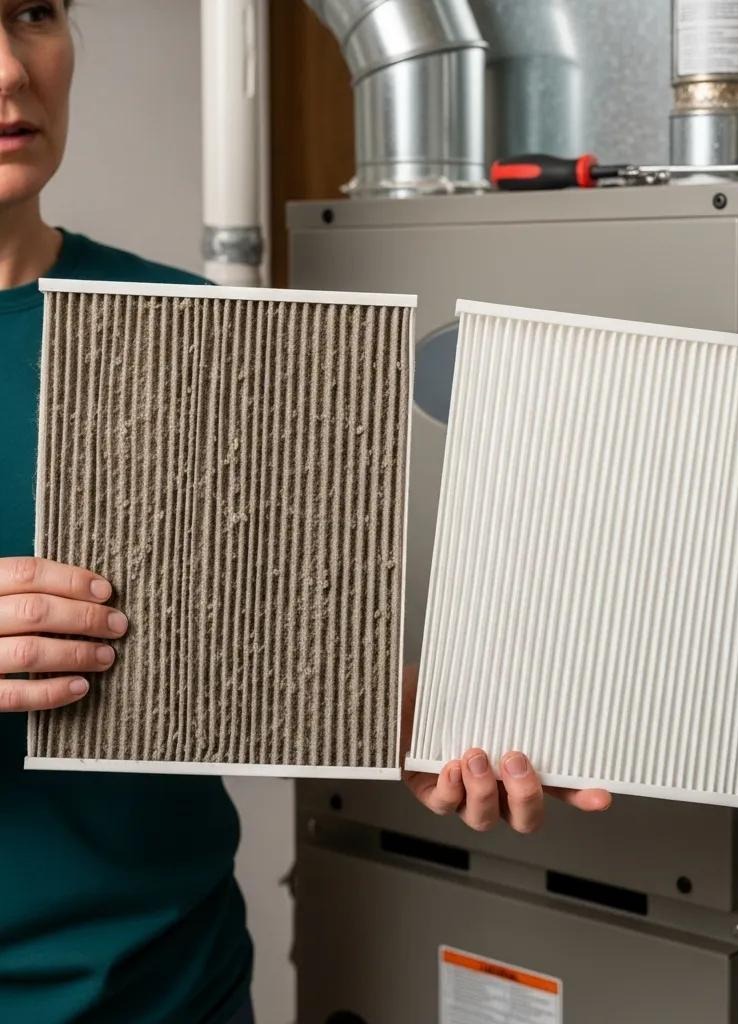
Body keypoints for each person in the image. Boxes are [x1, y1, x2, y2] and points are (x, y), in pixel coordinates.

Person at [0, 3, 610, 1021]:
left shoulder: (191, 326)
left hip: (175, 990)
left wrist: (422, 723)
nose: (12, 72)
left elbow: (246, 656)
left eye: (33, 13)